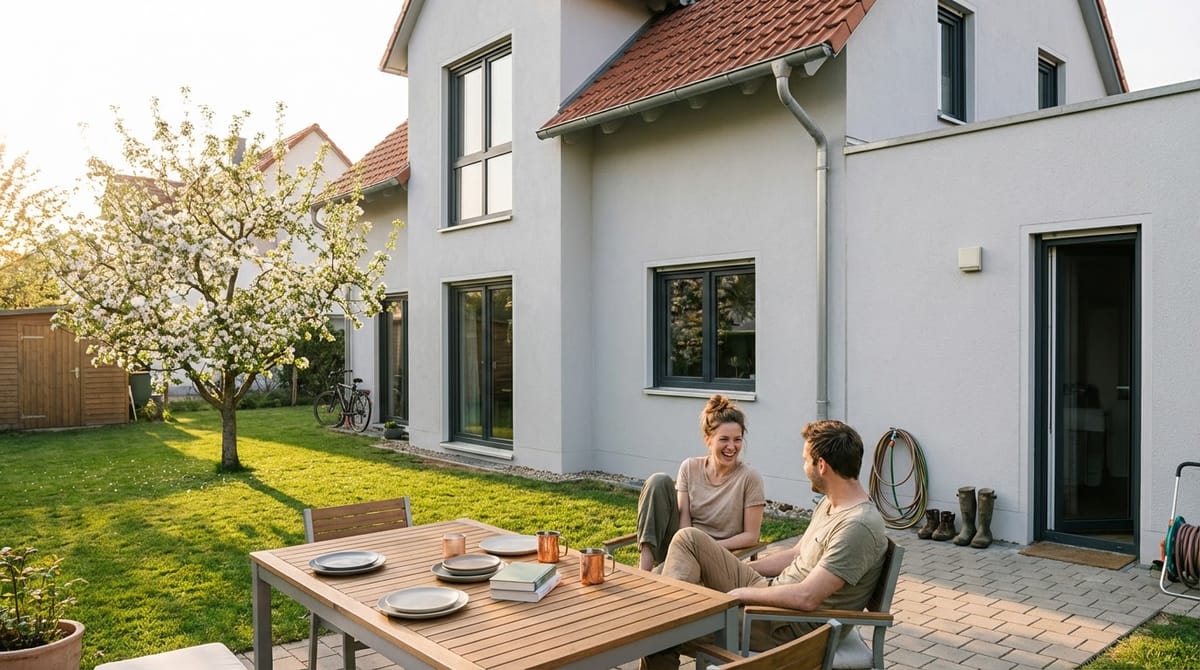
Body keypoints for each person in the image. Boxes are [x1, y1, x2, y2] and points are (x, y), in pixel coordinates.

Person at [641, 419, 887, 670]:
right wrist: (735, 568)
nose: (803, 466)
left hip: (783, 624)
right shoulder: (831, 503)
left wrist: (739, 594)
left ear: (822, 465)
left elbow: (807, 598)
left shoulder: (858, 526)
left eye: (805, 460)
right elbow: (795, 554)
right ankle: (672, 609)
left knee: (661, 628)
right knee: (688, 538)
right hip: (773, 594)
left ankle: (669, 615)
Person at [635, 394, 766, 571]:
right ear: (708, 439)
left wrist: (707, 547)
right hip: (682, 543)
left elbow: (751, 536)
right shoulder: (690, 467)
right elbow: (684, 519)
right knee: (658, 481)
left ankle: (657, 576)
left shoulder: (750, 478)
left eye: (737, 439)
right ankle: (644, 569)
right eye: (724, 439)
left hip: (715, 555)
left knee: (660, 586)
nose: (731, 447)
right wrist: (687, 547)